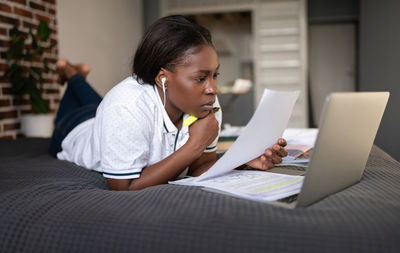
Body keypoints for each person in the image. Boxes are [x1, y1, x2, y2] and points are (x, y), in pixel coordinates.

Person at [50, 15, 288, 191]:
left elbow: (200, 166)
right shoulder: (124, 106)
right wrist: (194, 145)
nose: (212, 89)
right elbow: (124, 188)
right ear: (163, 77)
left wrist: (242, 163)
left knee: (94, 103)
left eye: (214, 75)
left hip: (109, 118)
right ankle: (72, 74)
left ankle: (75, 74)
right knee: (85, 107)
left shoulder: (205, 105)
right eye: (200, 78)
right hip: (75, 129)